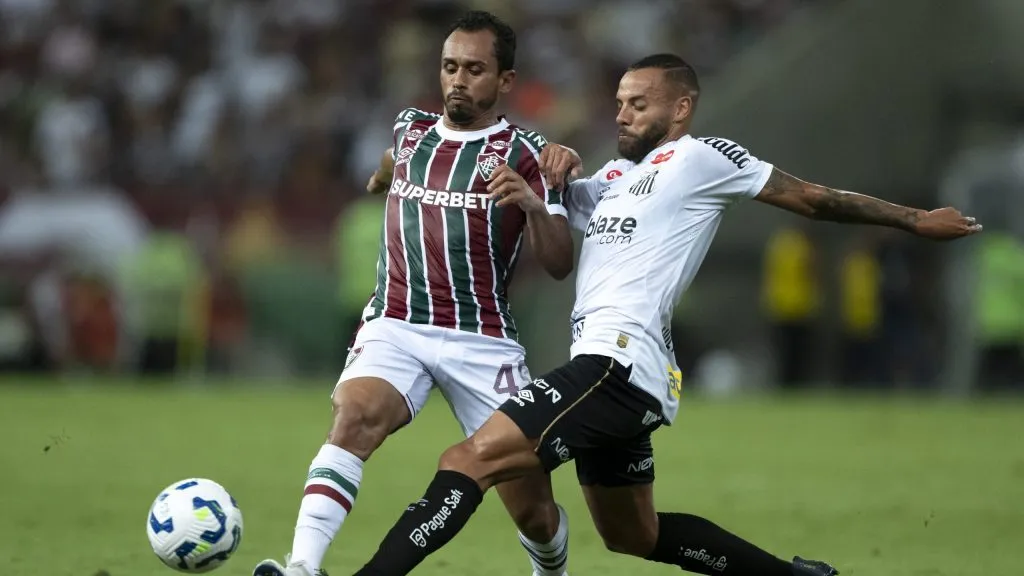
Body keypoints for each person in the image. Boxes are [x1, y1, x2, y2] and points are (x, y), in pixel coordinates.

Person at [348, 53, 982, 576]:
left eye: (638, 104)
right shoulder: (614, 178)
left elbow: (811, 199)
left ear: (681, 109)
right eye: (620, 102)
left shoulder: (701, 159)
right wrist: (554, 166)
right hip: (618, 374)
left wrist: (912, 219)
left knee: (466, 461)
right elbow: (552, 201)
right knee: (633, 534)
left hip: (615, 365)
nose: (622, 114)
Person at [252, 11, 577, 576]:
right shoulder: (411, 130)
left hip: (483, 340)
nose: (457, 79)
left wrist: (530, 201)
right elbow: (390, 160)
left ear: (505, 81)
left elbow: (558, 263)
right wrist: (382, 179)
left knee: (534, 512)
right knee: (353, 420)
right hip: (397, 323)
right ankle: (301, 567)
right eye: (450, 66)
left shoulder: (529, 154)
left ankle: (551, 566)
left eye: (474, 70)